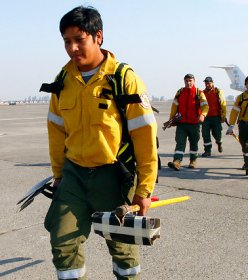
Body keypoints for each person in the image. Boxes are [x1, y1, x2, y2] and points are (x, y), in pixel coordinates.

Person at [44, 6, 158, 279]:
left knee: (123, 248)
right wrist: (59, 175)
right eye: (66, 41)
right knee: (62, 240)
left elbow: (145, 136)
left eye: (79, 39)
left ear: (98, 37)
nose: (72, 48)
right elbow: (56, 132)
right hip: (73, 175)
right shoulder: (62, 81)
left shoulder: (122, 78)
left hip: (112, 176)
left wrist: (144, 189)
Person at [167, 74, 209, 170]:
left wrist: (203, 115)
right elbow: (174, 106)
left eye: (190, 80)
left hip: (194, 124)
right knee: (180, 142)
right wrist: (171, 119)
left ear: (194, 81)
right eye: (186, 81)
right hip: (181, 124)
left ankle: (193, 161)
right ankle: (177, 162)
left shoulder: (199, 93)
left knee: (194, 143)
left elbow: (205, 106)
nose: (188, 82)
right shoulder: (180, 92)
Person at [201, 76, 227, 157]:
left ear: (212, 83)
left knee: (217, 134)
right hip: (206, 118)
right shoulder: (202, 93)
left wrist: (223, 116)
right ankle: (207, 150)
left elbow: (223, 104)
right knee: (205, 134)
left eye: (209, 83)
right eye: (206, 83)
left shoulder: (218, 91)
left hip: (216, 117)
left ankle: (219, 143)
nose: (207, 85)